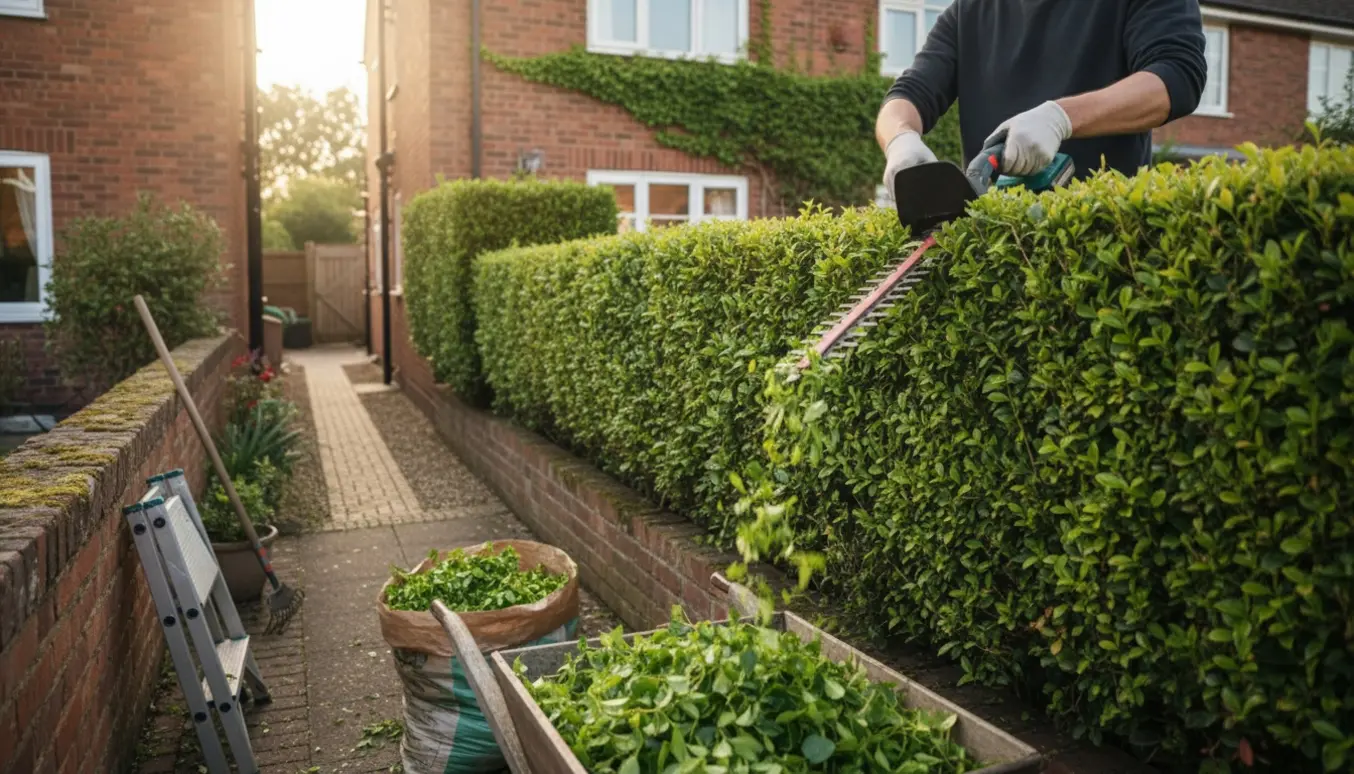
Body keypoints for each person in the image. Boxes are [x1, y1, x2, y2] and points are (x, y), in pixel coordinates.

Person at [879, 0, 1208, 200]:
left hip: (1100, 250)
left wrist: (1061, 118)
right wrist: (900, 139)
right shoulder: (971, 10)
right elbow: (909, 93)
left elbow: (1176, 76)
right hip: (992, 257)